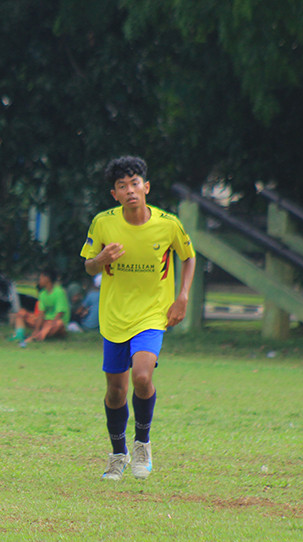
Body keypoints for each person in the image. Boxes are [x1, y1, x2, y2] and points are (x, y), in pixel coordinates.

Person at [80, 156, 195, 481]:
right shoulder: (103, 223)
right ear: (114, 194)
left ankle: (142, 444)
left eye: (134, 184)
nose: (129, 190)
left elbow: (188, 257)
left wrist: (182, 296)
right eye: (122, 186)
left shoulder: (168, 224)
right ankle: (118, 454)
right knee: (116, 391)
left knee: (142, 377)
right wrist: (101, 259)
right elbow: (89, 265)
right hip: (115, 316)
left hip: (152, 315)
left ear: (146, 187)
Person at [10, 269, 69, 346]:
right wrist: (36, 329)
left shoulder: (59, 292)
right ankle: (19, 335)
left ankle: (35, 338)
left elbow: (59, 314)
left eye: (41, 278)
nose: (39, 280)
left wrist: (48, 325)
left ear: (47, 279)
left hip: (55, 324)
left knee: (58, 323)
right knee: (22, 313)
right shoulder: (42, 294)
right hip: (45, 322)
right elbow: (41, 314)